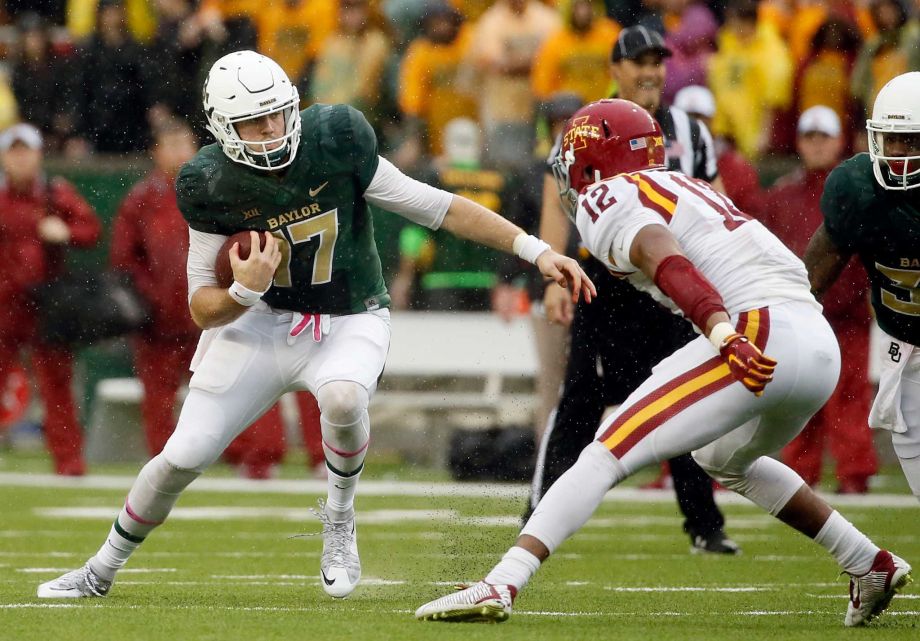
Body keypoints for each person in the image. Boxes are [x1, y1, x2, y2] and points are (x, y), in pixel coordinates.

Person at [36, 49, 593, 601]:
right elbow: (200, 304)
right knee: (181, 457)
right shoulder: (208, 182)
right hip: (259, 321)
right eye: (255, 121)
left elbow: (436, 206)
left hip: (349, 313)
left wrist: (536, 250)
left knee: (345, 398)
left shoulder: (336, 139)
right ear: (224, 129)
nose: (273, 128)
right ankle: (99, 570)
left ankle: (339, 517)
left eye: (279, 112)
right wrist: (244, 290)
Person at [415, 98, 913, 627]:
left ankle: (502, 581)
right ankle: (868, 563)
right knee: (723, 458)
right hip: (813, 342)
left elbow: (660, 252)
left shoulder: (608, 195)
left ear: (591, 162)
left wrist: (721, 330)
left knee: (605, 450)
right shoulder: (687, 186)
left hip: (753, 331)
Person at [531, 25, 737, 554]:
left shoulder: (689, 131)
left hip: (672, 283)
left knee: (681, 399)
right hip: (606, 280)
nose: (651, 71)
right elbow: (559, 201)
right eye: (639, 61)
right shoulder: (583, 128)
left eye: (657, 61)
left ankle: (705, 525)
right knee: (579, 399)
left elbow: (718, 200)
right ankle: (541, 513)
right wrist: (552, 273)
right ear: (616, 68)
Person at [108, 117, 322, 479]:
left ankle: (253, 457)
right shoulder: (143, 198)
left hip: (219, 309)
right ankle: (166, 462)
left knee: (240, 382)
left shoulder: (218, 188)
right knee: (160, 394)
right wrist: (152, 298)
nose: (179, 151)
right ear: (155, 153)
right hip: (163, 318)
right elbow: (125, 257)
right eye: (170, 144)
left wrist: (232, 293)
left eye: (184, 143)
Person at [804, 71, 920, 501]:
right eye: (891, 139)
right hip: (907, 349)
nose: (898, 154)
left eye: (911, 141)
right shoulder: (859, 189)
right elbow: (812, 279)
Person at [759, 106, 876, 494]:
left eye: (823, 136)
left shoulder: (856, 189)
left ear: (838, 140)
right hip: (799, 318)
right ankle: (800, 474)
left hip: (848, 314)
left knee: (850, 397)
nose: (816, 144)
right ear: (798, 143)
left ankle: (853, 474)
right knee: (799, 397)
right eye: (809, 136)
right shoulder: (782, 196)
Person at [0, 123, 101, 476]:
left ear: (39, 155)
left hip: (46, 304)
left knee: (57, 385)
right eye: (13, 151)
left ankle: (69, 460)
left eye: (25, 151)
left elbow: (91, 231)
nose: (20, 158)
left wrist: (66, 232)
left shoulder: (55, 193)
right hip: (5, 305)